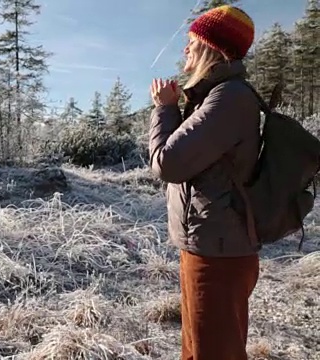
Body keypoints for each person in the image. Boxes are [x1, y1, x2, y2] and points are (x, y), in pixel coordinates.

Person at [147, 5, 262, 360]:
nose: (186, 49)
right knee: (197, 349)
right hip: (207, 246)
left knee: (214, 353)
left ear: (215, 49)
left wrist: (165, 109)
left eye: (193, 41)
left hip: (218, 254)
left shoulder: (230, 98)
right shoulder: (217, 97)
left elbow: (167, 163)